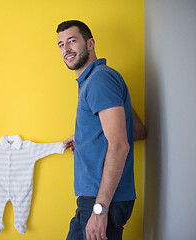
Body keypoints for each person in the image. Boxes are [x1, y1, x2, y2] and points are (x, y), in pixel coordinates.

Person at [57, 20, 146, 240]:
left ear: (90, 43)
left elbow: (119, 145)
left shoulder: (99, 80)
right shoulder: (97, 79)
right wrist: (86, 138)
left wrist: (100, 209)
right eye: (60, 44)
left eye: (72, 41)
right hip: (101, 199)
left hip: (103, 200)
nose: (66, 49)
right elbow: (137, 131)